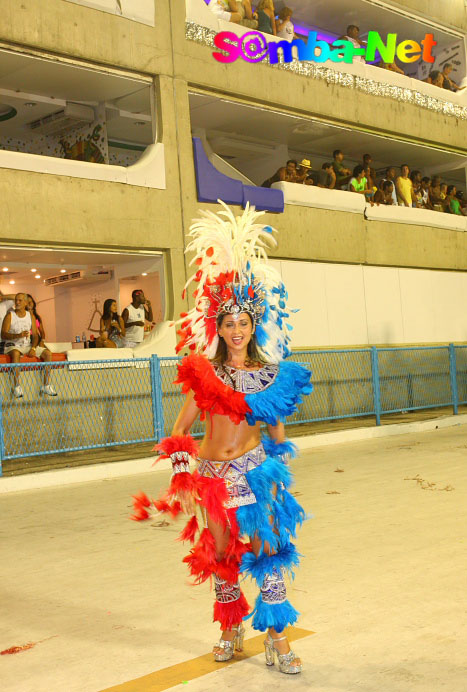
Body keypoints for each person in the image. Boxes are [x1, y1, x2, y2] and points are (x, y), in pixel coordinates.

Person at [132, 202, 313, 675]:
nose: (236, 330)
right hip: (212, 478)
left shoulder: (271, 376)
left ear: (254, 327)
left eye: (243, 323)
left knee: (267, 552)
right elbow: (179, 431)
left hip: (255, 474)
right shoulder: (203, 374)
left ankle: (277, 637)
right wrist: (182, 478)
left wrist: (275, 468)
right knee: (221, 556)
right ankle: (230, 628)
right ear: (219, 328)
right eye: (228, 324)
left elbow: (277, 432)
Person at [2, 292, 57, 398]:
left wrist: (33, 348)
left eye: (20, 300)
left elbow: (36, 336)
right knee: (16, 353)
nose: (17, 302)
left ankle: (46, 385)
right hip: (12, 345)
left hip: (27, 346)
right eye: (16, 300)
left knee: (48, 354)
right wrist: (17, 335)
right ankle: (16, 386)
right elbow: (3, 334)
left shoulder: (30, 316)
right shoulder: (9, 315)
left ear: (26, 303)